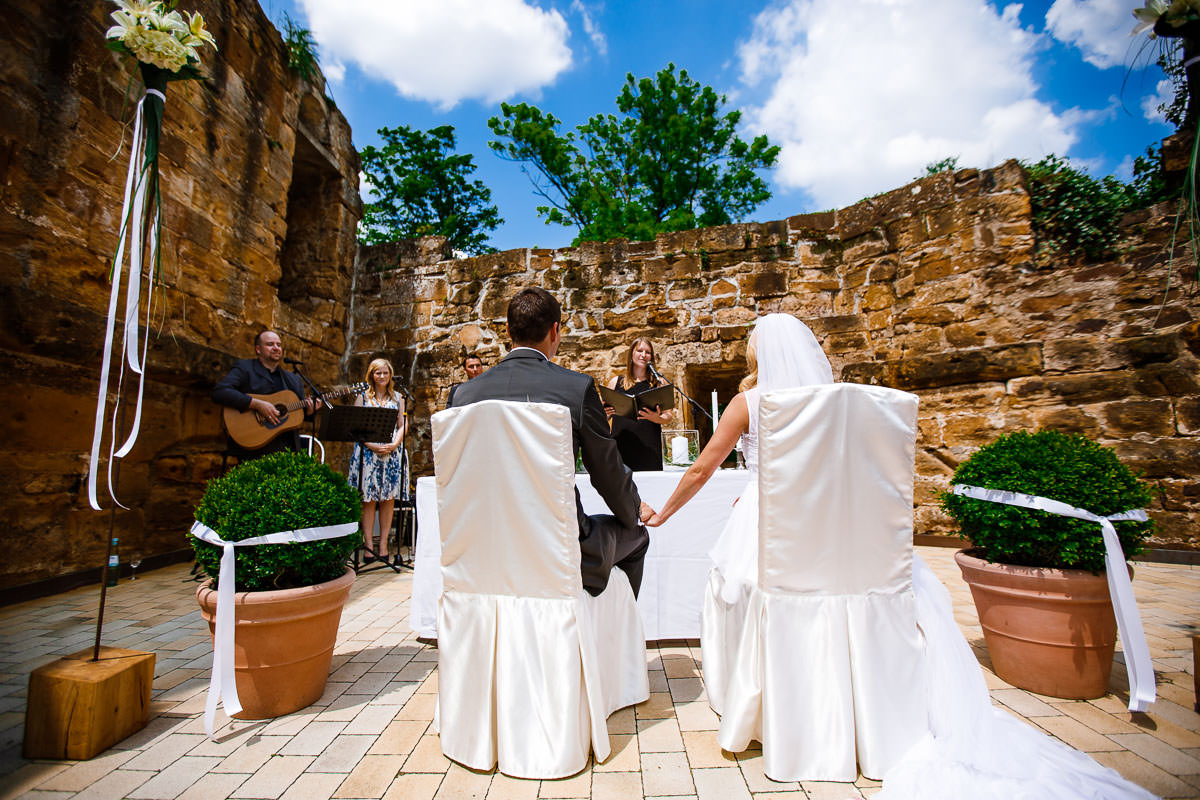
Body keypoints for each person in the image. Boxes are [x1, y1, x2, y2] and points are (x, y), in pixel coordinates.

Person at [647, 314, 1153, 800]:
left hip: (775, 525)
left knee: (738, 584)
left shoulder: (749, 402)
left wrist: (667, 511)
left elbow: (701, 469)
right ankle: (870, 709)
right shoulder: (839, 402)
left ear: (759, 352)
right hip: (837, 528)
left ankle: (776, 713)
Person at [450, 287, 656, 597]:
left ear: (507, 331)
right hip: (559, 549)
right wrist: (634, 510)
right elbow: (606, 471)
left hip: (483, 548)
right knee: (637, 537)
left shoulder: (463, 396)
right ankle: (599, 636)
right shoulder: (575, 389)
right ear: (555, 330)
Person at [211, 330, 321, 460]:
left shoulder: (293, 379)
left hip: (287, 449)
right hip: (253, 443)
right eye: (270, 344)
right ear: (258, 349)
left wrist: (309, 411)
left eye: (278, 345)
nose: (276, 348)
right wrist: (257, 404)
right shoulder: (245, 368)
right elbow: (220, 392)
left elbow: (295, 413)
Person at [348, 358, 408, 565]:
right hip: (368, 452)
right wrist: (372, 445)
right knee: (368, 499)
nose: (382, 377)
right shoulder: (363, 397)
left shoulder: (398, 397)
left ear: (390, 375)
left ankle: (383, 545)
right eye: (377, 373)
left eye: (385, 373)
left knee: (387, 498)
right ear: (371, 375)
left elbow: (402, 424)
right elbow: (355, 427)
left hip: (391, 453)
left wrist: (394, 444)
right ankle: (369, 545)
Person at [605, 338, 674, 471]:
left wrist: (656, 418)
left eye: (647, 352)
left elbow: (669, 416)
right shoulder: (615, 382)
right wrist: (606, 415)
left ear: (651, 357)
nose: (643, 355)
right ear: (632, 354)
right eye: (639, 350)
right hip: (620, 446)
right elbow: (602, 416)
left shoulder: (659, 383)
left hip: (649, 447)